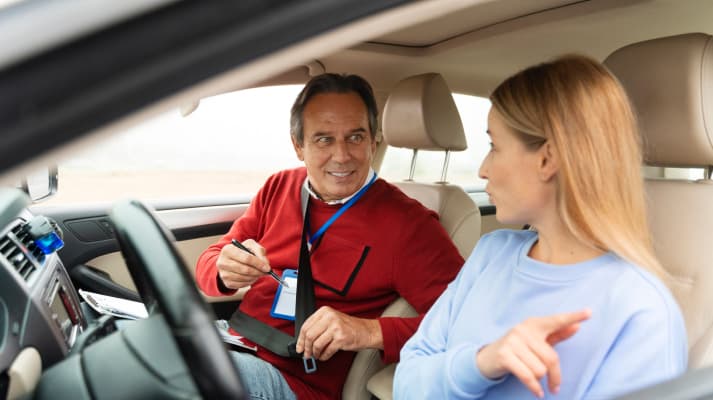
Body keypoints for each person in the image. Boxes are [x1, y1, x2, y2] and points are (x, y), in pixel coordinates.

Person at [393, 55, 688, 399]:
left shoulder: (641, 310)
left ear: (548, 159)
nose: (483, 169)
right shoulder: (491, 253)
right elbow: (406, 383)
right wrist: (482, 362)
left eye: (494, 146)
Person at [195, 73, 464, 399]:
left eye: (355, 137)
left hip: (294, 381)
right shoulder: (280, 187)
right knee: (141, 340)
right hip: (233, 340)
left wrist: (369, 331)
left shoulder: (409, 225)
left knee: (177, 372)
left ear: (373, 142)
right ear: (299, 146)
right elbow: (212, 260)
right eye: (324, 139)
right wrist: (223, 270)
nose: (341, 155)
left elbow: (464, 321)